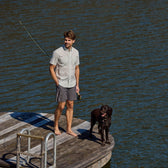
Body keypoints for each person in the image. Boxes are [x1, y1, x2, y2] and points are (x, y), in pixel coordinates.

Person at [49, 30, 80, 136]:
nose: (66, 42)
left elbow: (77, 68)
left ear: (73, 41)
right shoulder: (57, 52)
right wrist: (57, 82)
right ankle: (56, 126)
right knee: (61, 106)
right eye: (65, 40)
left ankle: (69, 129)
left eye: (69, 40)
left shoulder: (76, 52)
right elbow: (51, 68)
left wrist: (77, 85)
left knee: (70, 105)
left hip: (72, 83)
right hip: (61, 83)